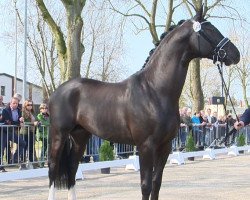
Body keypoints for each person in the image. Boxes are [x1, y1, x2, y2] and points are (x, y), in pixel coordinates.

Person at [0, 97, 26, 172]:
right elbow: (9, 122)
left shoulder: (19, 110)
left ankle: (14, 159)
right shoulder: (5, 110)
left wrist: (20, 120)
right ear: (10, 103)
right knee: (1, 149)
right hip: (3, 132)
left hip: (11, 131)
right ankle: (1, 167)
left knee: (22, 143)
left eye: (17, 103)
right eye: (13, 103)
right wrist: (19, 123)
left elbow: (16, 121)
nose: (15, 105)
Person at [20, 100, 39, 169]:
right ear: (25, 105)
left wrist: (37, 122)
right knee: (24, 148)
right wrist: (33, 124)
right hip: (24, 132)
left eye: (31, 104)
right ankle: (22, 164)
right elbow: (23, 123)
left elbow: (36, 120)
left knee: (31, 148)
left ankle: (31, 163)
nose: (30, 106)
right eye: (28, 104)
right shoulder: (23, 112)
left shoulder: (33, 112)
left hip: (31, 132)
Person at [36, 103, 50, 167]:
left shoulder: (49, 116)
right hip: (42, 134)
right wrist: (48, 123)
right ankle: (41, 162)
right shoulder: (39, 115)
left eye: (46, 108)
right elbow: (43, 122)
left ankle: (47, 161)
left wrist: (49, 123)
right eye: (43, 108)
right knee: (44, 148)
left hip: (48, 134)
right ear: (40, 109)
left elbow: (51, 122)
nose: (45, 109)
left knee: (48, 147)